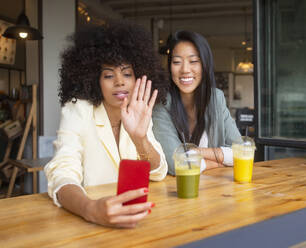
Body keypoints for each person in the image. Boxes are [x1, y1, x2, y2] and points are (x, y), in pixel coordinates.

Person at [44, 21, 169, 228]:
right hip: (88, 223)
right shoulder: (79, 111)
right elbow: (62, 174)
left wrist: (141, 139)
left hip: (136, 219)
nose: (119, 82)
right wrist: (90, 209)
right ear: (94, 80)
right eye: (109, 75)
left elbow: (158, 172)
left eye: (127, 74)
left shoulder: (137, 111)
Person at [152, 30, 242, 176]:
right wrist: (218, 161)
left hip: (217, 190)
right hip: (176, 192)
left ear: (205, 64)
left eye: (193, 61)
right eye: (176, 62)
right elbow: (178, 165)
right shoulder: (161, 103)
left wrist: (198, 152)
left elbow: (242, 152)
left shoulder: (216, 98)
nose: (185, 70)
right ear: (170, 67)